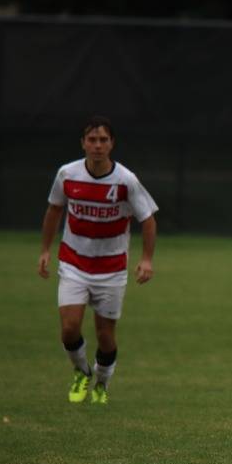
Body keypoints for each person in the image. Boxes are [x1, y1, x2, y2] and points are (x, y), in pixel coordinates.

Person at [38, 116, 159, 405]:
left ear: (111, 144)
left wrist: (146, 259)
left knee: (105, 335)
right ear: (83, 143)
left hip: (111, 268)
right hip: (73, 262)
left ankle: (102, 383)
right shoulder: (67, 174)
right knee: (69, 328)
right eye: (92, 139)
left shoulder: (125, 181)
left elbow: (148, 219)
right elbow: (54, 210)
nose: (97, 145)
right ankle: (81, 371)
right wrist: (45, 250)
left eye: (103, 140)